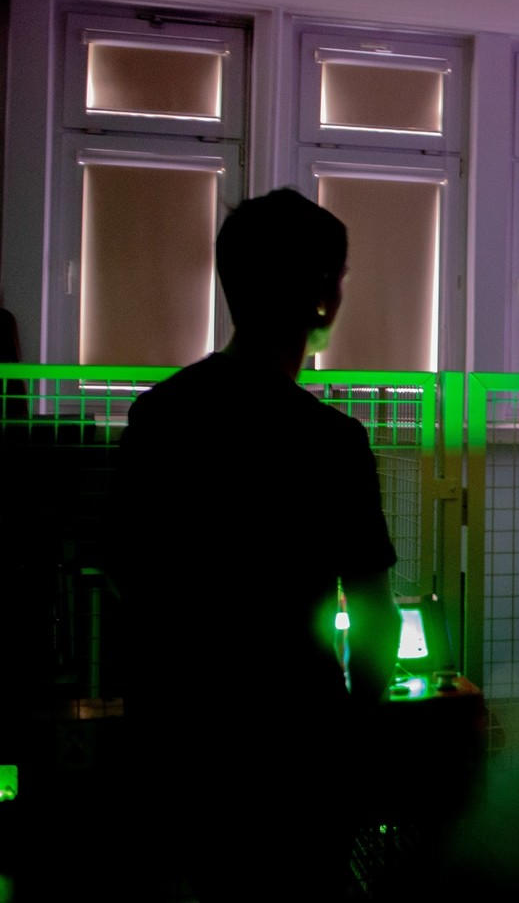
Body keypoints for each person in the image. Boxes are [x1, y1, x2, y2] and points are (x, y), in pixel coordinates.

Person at [113, 187, 400, 900]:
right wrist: (354, 739)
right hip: (295, 760)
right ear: (321, 299)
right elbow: (374, 618)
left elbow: (128, 576)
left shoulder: (157, 419)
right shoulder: (332, 444)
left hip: (176, 751)